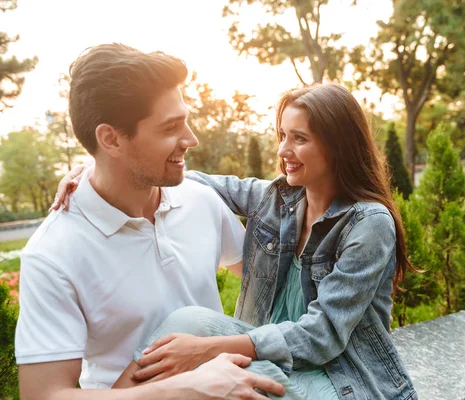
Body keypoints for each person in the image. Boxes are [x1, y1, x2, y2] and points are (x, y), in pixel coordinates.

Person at [56, 83, 418, 399]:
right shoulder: (279, 200)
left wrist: (206, 351)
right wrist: (95, 171)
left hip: (341, 380)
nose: (283, 151)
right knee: (189, 320)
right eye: (282, 136)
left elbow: (322, 335)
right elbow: (184, 176)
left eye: (299, 138)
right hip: (275, 359)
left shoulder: (368, 224)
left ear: (338, 146)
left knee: (214, 379)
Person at [15, 43, 285, 400]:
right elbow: (43, 395)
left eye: (185, 121)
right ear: (110, 139)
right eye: (171, 127)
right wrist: (187, 388)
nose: (191, 139)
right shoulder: (53, 254)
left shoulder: (201, 200)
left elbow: (271, 287)